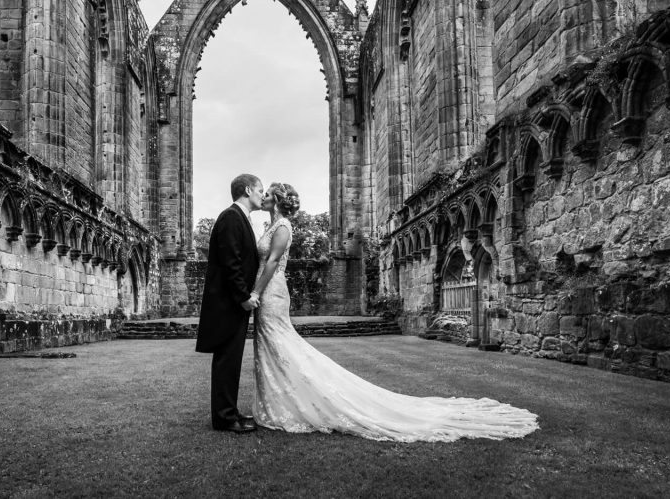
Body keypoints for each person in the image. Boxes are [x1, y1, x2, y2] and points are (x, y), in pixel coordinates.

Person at [249, 182, 540, 443]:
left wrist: (255, 293)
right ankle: (281, 400)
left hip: (272, 291)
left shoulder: (283, 226)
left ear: (276, 199)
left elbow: (273, 262)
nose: (262, 197)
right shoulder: (270, 226)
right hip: (269, 289)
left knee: (280, 343)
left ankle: (294, 401)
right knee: (274, 345)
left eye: (266, 194)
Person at [195, 174, 264, 433]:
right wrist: (244, 297)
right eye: (260, 189)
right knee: (226, 359)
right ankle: (224, 418)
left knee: (232, 360)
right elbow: (231, 262)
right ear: (247, 190)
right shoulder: (231, 217)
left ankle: (230, 411)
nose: (262, 194)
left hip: (232, 304)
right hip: (228, 304)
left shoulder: (238, 218)